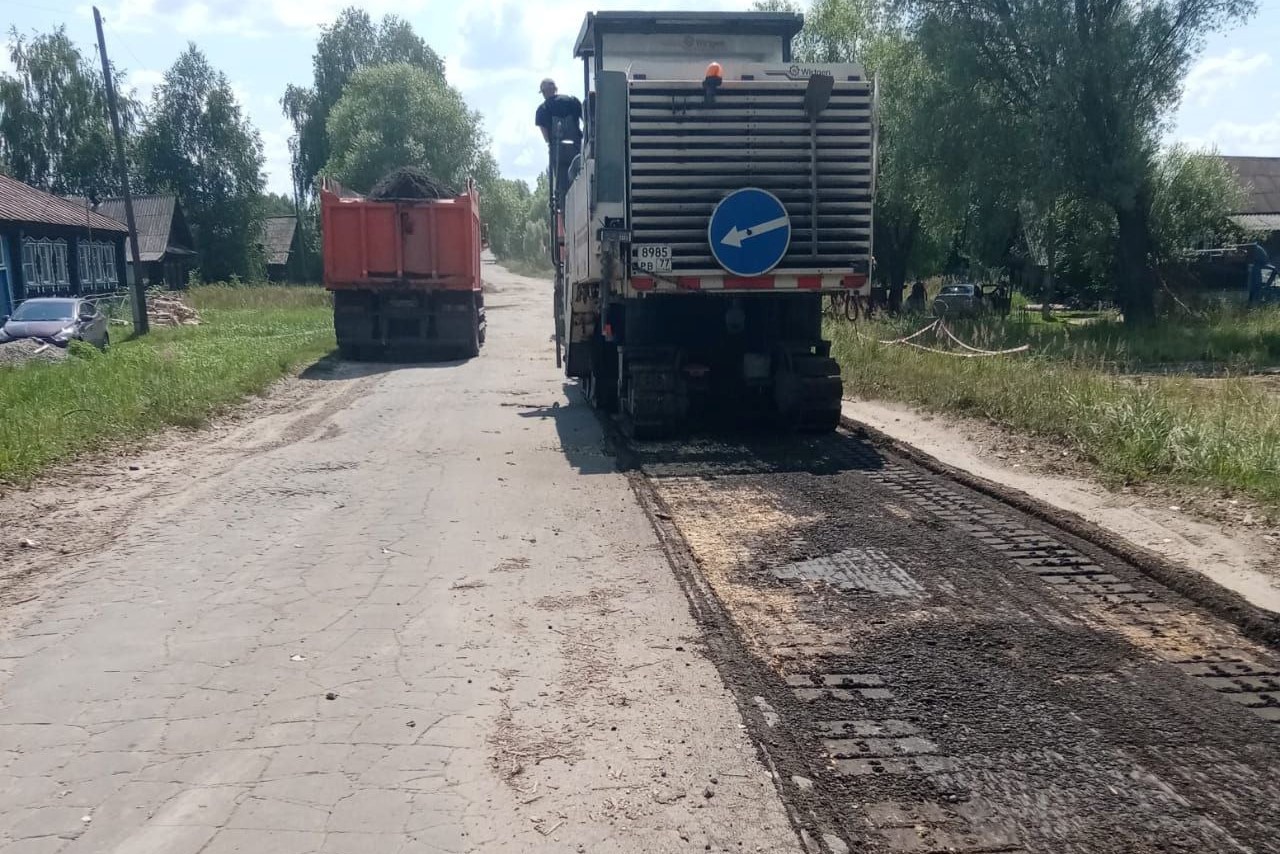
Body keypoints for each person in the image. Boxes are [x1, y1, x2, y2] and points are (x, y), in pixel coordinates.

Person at [535, 79, 583, 210]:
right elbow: (586, 122)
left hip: (559, 155)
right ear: (555, 88)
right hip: (577, 151)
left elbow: (546, 138)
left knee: (563, 190)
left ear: (544, 92)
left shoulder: (542, 109)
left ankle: (567, 218)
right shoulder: (573, 101)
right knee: (581, 181)